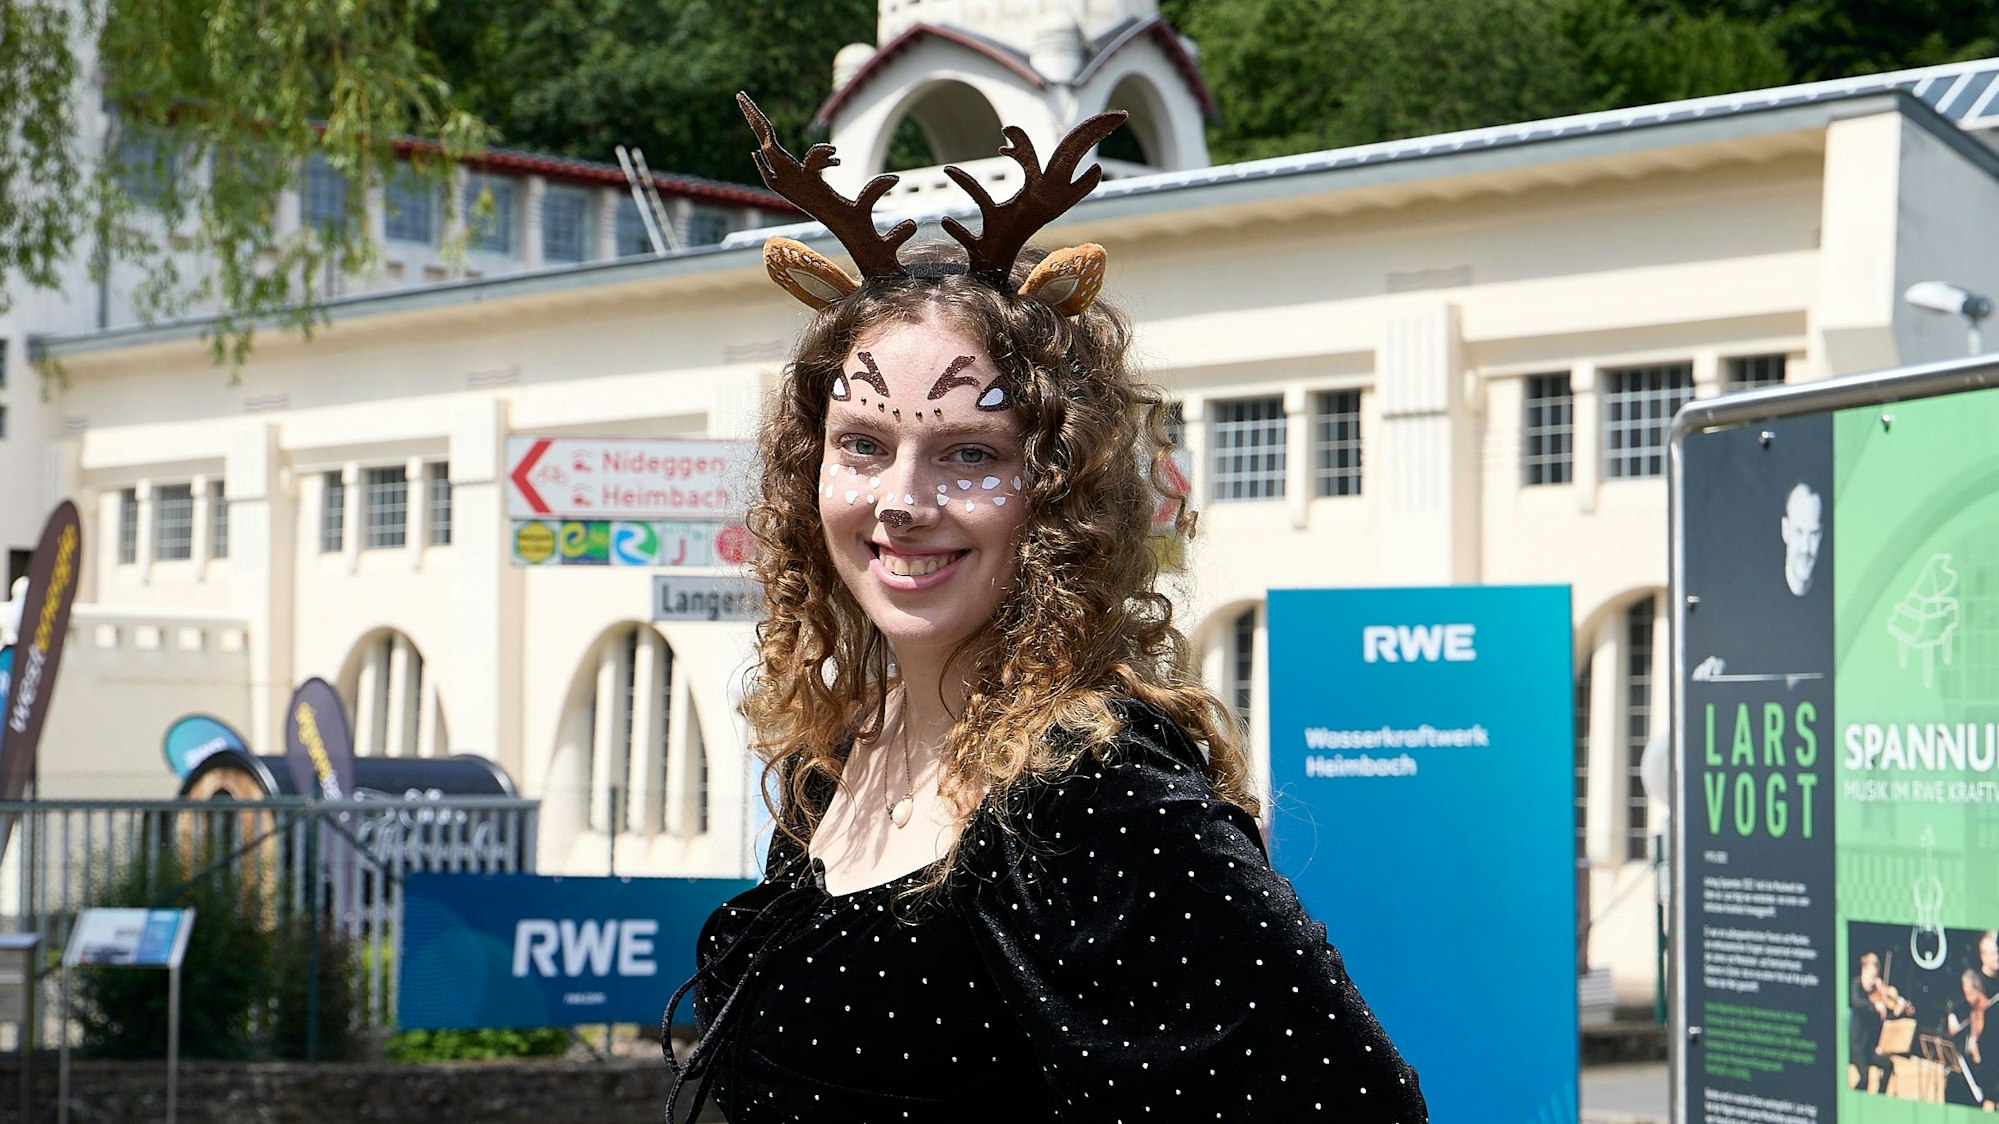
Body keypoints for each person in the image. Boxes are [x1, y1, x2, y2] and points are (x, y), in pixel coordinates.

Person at [659, 94, 1427, 1122]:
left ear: (1053, 492)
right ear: (812, 471)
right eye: (864, 444)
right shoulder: (832, 762)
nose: (901, 499)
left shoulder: (1097, 794)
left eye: (968, 453)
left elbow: (1356, 1103)